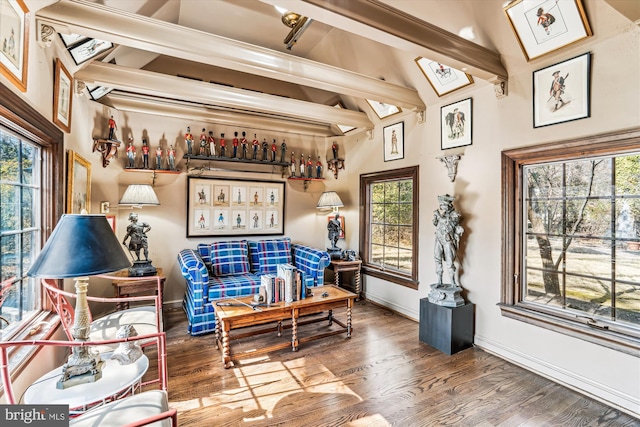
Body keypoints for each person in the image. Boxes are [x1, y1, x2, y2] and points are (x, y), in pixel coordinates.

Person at [432, 194, 464, 287]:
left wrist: (438, 216)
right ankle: (439, 281)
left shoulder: (455, 214)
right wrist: (435, 218)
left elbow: (448, 223)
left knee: (450, 261)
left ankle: (453, 282)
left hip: (447, 240)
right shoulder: (442, 215)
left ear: (449, 205)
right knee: (437, 258)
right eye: (441, 205)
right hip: (438, 238)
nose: (442, 207)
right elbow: (436, 224)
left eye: (444, 205)